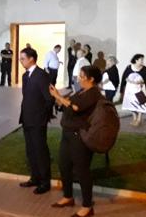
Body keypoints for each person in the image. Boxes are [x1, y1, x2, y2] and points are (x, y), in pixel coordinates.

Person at [49, 65, 103, 217]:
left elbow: (76, 107)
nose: (79, 78)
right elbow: (68, 105)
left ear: (91, 79)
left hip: (79, 136)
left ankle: (87, 206)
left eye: (82, 76)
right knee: (64, 165)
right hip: (67, 134)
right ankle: (68, 197)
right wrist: (59, 97)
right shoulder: (81, 91)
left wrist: (58, 97)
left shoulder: (94, 93)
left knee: (82, 170)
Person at [18, 47, 54, 195]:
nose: (20, 61)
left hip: (38, 121)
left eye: (22, 58)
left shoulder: (42, 75)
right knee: (30, 151)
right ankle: (35, 177)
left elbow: (49, 99)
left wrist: (42, 117)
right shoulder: (25, 76)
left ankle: (45, 182)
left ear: (31, 59)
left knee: (40, 151)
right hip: (26, 119)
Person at [120, 54, 146, 126]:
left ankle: (139, 119)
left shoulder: (144, 68)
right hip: (129, 90)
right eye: (141, 59)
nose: (142, 61)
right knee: (130, 104)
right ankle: (134, 118)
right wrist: (123, 87)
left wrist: (141, 82)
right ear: (136, 60)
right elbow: (124, 78)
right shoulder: (129, 67)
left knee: (141, 104)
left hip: (139, 90)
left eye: (142, 59)